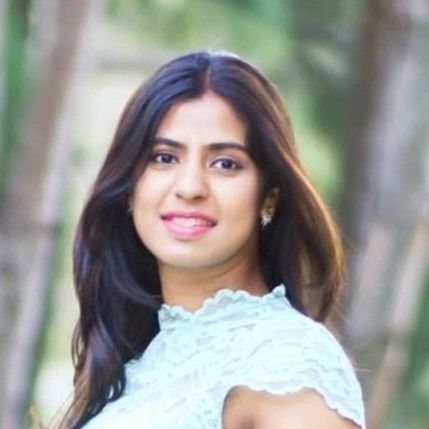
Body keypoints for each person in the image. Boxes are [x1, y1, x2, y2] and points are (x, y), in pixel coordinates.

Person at [59, 50, 366, 429]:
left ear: (269, 195)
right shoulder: (135, 361)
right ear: (129, 187)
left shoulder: (286, 362)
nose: (190, 187)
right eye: (164, 157)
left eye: (225, 164)